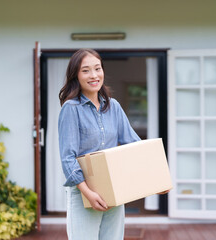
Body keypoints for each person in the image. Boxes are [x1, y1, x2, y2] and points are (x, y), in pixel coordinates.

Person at [58, 49, 141, 240]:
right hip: (83, 193)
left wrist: (155, 177)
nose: (94, 75)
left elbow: (134, 146)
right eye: (86, 70)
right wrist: (88, 193)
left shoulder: (114, 107)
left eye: (97, 68)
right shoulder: (71, 109)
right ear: (76, 76)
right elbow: (68, 158)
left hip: (113, 190)